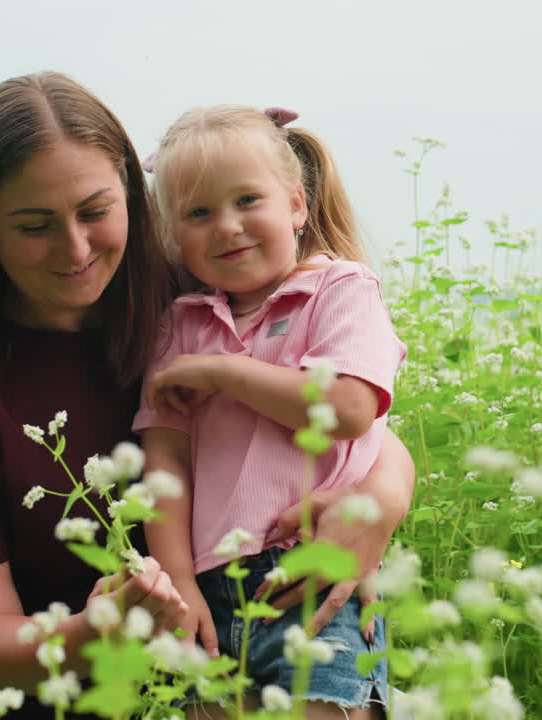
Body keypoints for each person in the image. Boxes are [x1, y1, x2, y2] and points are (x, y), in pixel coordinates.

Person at [0, 73, 414, 719]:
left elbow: (355, 420)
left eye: (95, 212)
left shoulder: (188, 305)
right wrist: (89, 635)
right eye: (35, 225)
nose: (76, 248)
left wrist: (379, 500)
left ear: (133, 196)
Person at [135, 105, 405, 718]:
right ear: (175, 235)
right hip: (206, 587)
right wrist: (176, 579)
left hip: (308, 575)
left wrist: (222, 371)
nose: (227, 227)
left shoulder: (340, 290)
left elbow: (348, 407)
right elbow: (165, 456)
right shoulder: (180, 323)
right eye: (199, 213)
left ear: (297, 205)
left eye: (247, 201)